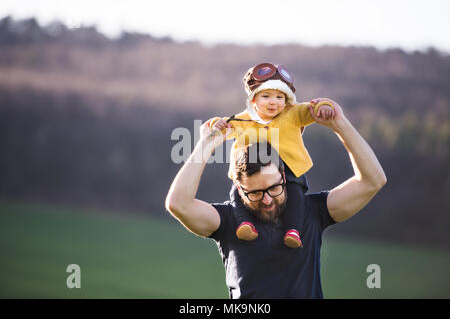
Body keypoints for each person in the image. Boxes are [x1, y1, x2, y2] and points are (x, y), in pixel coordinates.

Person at [165, 98, 387, 299]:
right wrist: (205, 145)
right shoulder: (229, 220)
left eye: (273, 188)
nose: (267, 200)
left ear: (283, 176)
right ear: (239, 189)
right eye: (255, 193)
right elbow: (179, 204)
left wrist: (340, 125)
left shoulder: (312, 211)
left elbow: (373, 180)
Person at [209, 62, 335, 248]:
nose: (273, 101)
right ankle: (245, 223)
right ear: (253, 101)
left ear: (287, 99)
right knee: (237, 191)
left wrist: (323, 106)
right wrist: (216, 124)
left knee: (295, 193)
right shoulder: (245, 119)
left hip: (288, 167)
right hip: (251, 170)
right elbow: (224, 124)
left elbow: (312, 109)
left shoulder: (292, 113)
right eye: (266, 96)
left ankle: (293, 230)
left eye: (279, 97)